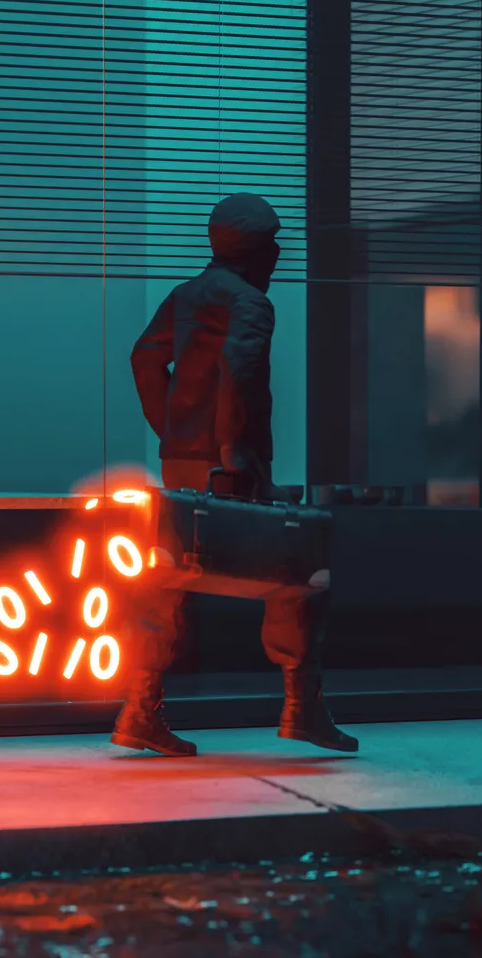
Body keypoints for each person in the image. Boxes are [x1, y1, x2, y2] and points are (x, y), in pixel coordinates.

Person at [110, 193, 358, 758]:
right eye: (273, 243)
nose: (278, 253)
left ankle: (139, 712)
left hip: (182, 460)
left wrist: (172, 430)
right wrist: (231, 452)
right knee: (298, 571)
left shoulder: (185, 295)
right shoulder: (250, 303)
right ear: (259, 250)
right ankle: (302, 709)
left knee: (165, 580)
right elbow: (240, 371)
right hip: (231, 465)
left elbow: (144, 360)